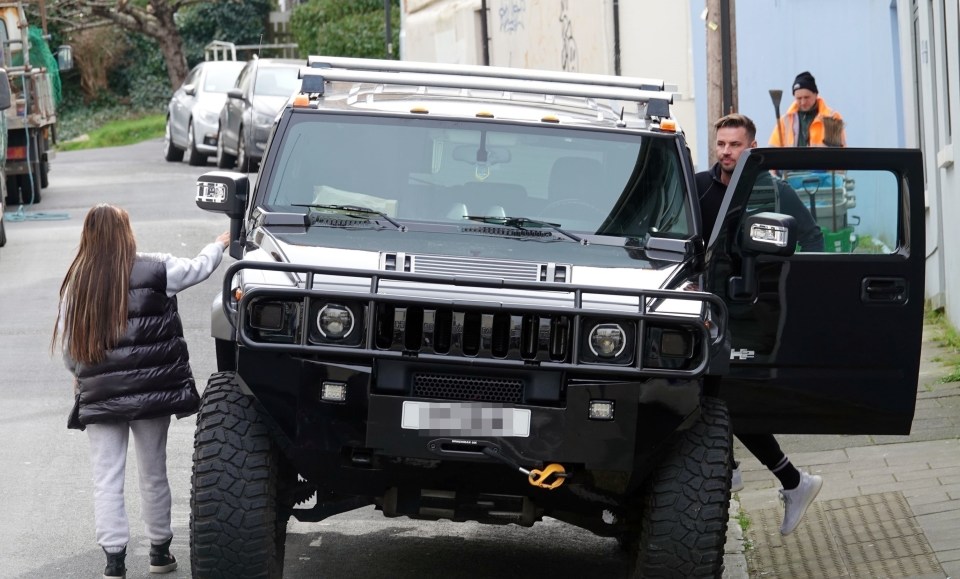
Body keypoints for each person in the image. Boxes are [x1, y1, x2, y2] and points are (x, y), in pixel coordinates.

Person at [52, 204, 230, 579]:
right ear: (126, 232)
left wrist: (78, 376)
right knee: (153, 472)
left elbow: (69, 347)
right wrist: (218, 244)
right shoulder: (156, 268)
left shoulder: (76, 281)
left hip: (99, 393)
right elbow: (198, 268)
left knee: (106, 477)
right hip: (152, 395)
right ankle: (159, 553)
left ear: (88, 234)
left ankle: (114, 561)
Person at [696, 113, 824, 536]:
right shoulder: (697, 187)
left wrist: (779, 284)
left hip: (751, 312)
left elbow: (812, 238)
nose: (727, 152)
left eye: (735, 145)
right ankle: (777, 478)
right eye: (721, 144)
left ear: (751, 147)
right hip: (703, 310)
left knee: (730, 394)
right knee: (711, 393)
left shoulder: (771, 190)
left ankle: (762, 475)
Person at [768, 71, 846, 148]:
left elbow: (839, 154)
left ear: (815, 94)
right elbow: (772, 150)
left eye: (806, 97)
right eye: (799, 98)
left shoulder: (831, 118)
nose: (803, 102)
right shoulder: (785, 120)